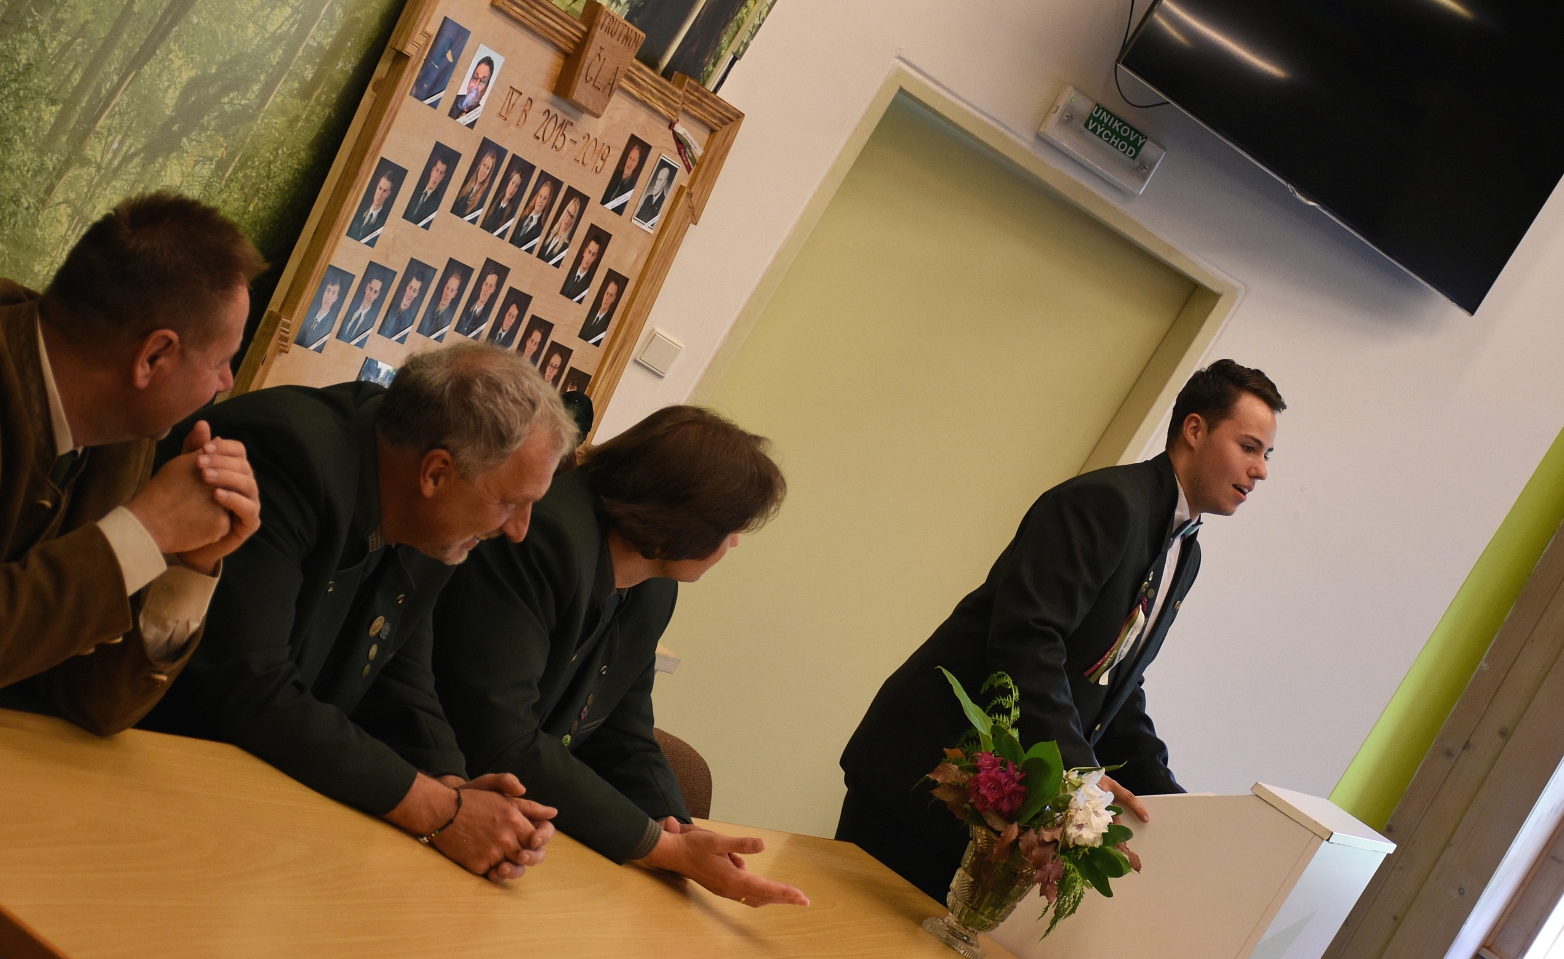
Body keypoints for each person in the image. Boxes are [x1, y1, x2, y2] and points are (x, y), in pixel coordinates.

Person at [837, 360, 1285, 899]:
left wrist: (1172, 805)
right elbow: (1027, 640)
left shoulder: (1185, 551)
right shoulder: (1107, 504)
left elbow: (1114, 684)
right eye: (1249, 447)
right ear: (1194, 429)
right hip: (928, 776)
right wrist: (1082, 776)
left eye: (1266, 454)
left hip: (995, 811)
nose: (1260, 470)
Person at [142, 344, 576, 881]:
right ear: (436, 473)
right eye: (511, 502)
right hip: (145, 777)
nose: (519, 530)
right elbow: (249, 686)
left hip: (251, 807)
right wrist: (437, 812)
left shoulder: (432, 506)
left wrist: (452, 785)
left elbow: (399, 671)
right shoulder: (287, 456)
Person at [431, 406, 806, 906]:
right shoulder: (546, 538)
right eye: (729, 528)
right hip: (435, 790)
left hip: (508, 829)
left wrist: (678, 828)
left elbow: (622, 730)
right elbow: (500, 737)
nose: (733, 543)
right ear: (680, 523)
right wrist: (660, 848)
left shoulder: (654, 587)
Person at [0, 192, 264, 733]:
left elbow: (95, 704)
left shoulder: (124, 427)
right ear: (154, 356)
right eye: (222, 360)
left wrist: (189, 566)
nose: (227, 382)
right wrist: (145, 531)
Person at [294, 272, 346, 352]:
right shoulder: (307, 316)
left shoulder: (330, 328)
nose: (328, 297)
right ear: (324, 292)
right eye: (328, 290)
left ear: (336, 298)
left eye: (333, 293)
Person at [418, 264, 468, 340]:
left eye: (452, 290)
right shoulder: (428, 306)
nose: (447, 293)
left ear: (454, 294)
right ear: (444, 287)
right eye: (447, 288)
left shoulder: (450, 321)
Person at [379, 269, 429, 343]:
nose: (410, 293)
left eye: (414, 291)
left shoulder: (410, 322)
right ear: (407, 286)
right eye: (410, 287)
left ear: (417, 294)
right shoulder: (390, 307)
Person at [403, 154, 452, 230]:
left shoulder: (437, 204)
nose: (436, 176)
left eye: (441, 173)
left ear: (443, 177)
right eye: (437, 170)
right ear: (432, 170)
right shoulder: (415, 188)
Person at [347, 171, 396, 246]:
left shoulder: (384, 223)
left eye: (384, 191)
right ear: (377, 187)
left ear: (388, 194)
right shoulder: (358, 209)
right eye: (380, 188)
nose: (380, 194)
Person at [337, 271, 386, 346]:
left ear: (378, 295)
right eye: (370, 289)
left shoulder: (373, 323)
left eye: (375, 292)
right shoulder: (349, 308)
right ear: (367, 287)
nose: (370, 295)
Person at [450, 149, 498, 222]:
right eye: (484, 165)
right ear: (480, 165)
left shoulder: (483, 199)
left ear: (489, 172)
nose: (484, 171)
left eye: (488, 168)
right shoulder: (464, 183)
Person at [508, 180, 556, 254]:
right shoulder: (521, 215)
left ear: (547, 202)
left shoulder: (541, 230)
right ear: (537, 196)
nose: (540, 201)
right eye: (540, 196)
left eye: (545, 198)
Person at [455, 267, 503, 339]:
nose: (486, 289)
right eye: (486, 284)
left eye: (490, 286)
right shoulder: (466, 304)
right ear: (483, 284)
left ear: (493, 289)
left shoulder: (488, 317)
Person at [449, 56, 496, 126]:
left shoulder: (482, 120)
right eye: (475, 78)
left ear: (486, 89)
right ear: (469, 81)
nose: (476, 86)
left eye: (482, 82)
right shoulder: (451, 99)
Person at [601, 141, 646, 213]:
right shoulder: (614, 175)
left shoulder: (632, 188)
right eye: (630, 158)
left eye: (633, 160)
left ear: (636, 164)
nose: (630, 163)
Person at [561, 234, 605, 303]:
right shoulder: (567, 272)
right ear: (585, 252)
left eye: (593, 255)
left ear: (595, 258)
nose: (589, 258)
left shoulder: (589, 285)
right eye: (589, 252)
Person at [538, 198, 581, 267]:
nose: (568, 218)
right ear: (565, 211)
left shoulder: (565, 247)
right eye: (568, 213)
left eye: (572, 216)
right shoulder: (549, 233)